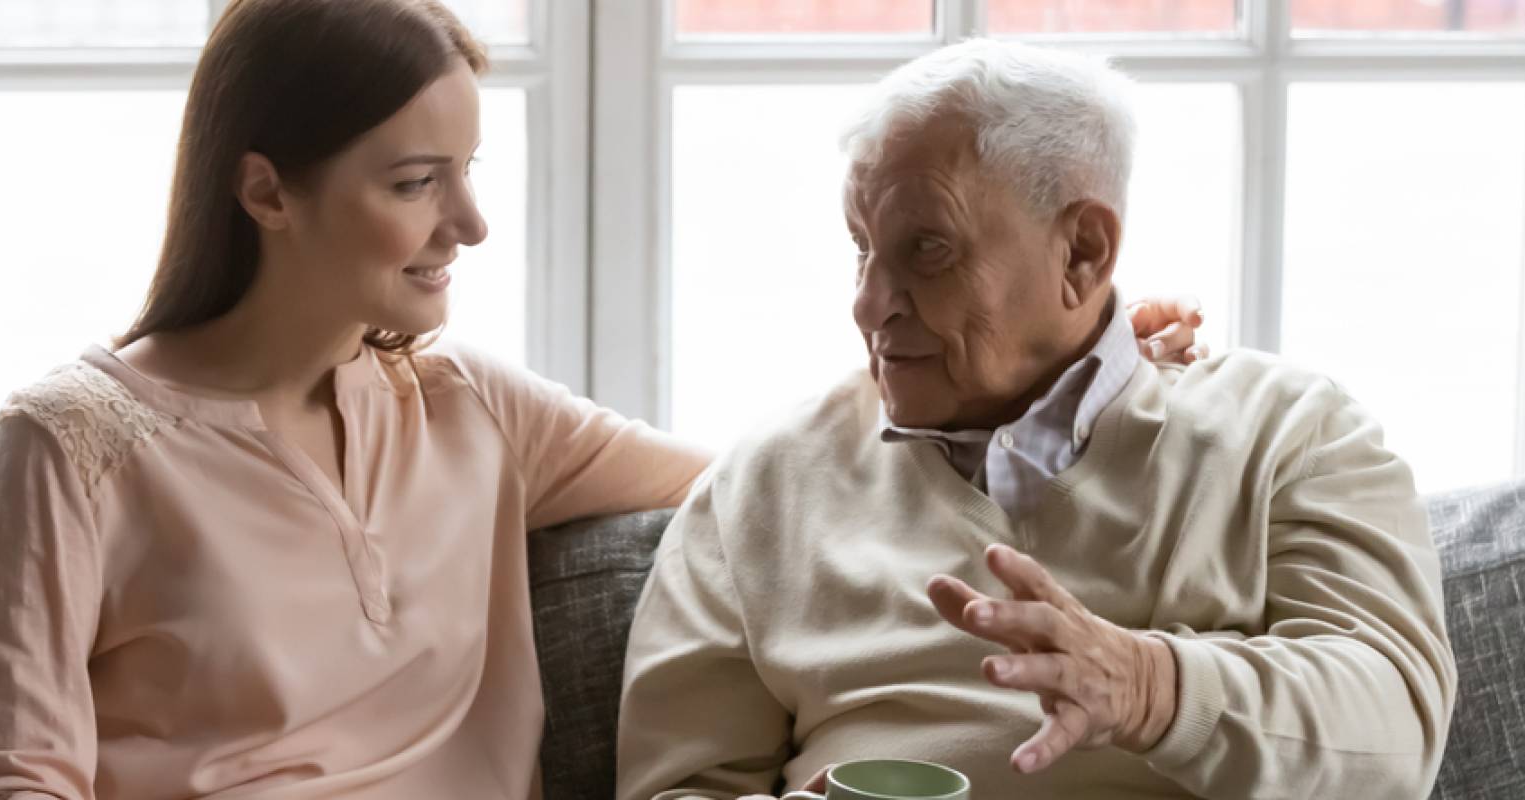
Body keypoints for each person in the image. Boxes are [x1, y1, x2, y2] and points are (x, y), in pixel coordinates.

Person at [0, 2, 1208, 797]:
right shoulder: (68, 444)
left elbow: (776, 483)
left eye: (469, 172)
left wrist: (1069, 349)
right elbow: (5, 782)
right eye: (418, 181)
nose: (471, 224)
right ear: (266, 191)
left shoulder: (470, 405)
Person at [616, 38, 1455, 800]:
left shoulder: (1293, 434)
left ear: (1084, 251)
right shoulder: (761, 488)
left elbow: (1395, 730)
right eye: (861, 248)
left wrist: (1146, 686)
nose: (868, 304)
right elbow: (679, 786)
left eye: (928, 249)